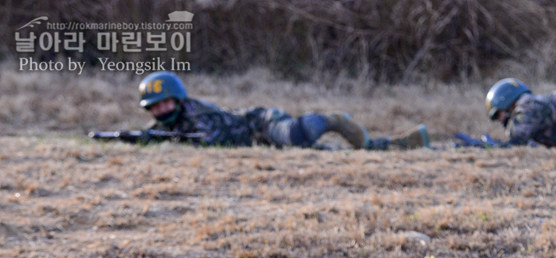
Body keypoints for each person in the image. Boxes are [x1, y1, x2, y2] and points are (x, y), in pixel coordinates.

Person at [137, 71, 429, 150]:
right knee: (329, 156)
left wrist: (166, 140)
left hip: (263, 123)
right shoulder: (170, 124)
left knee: (296, 136)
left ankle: (332, 120)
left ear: (177, 99)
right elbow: (155, 134)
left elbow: (209, 139)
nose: (162, 110)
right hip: (261, 142)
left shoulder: (196, 112)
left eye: (165, 102)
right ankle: (406, 143)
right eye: (155, 106)